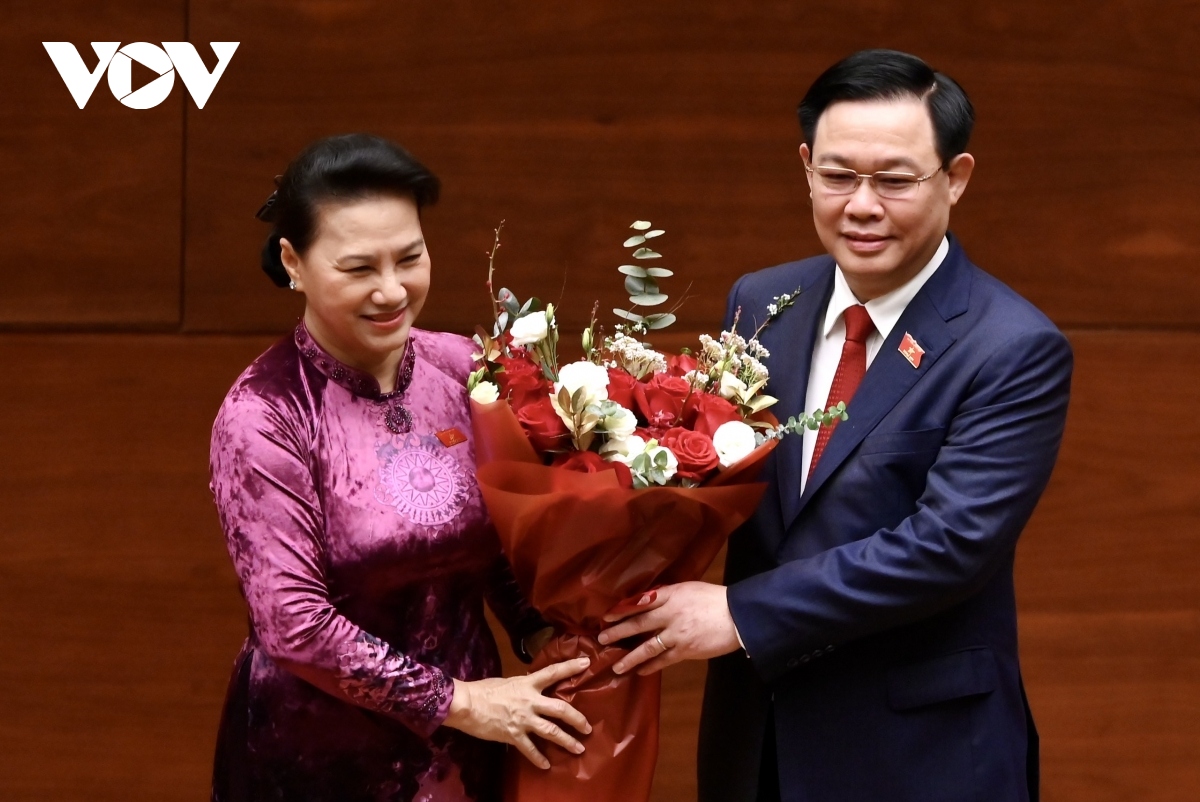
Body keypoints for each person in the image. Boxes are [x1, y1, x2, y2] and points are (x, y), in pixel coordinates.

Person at [599, 49, 1071, 801]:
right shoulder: (761, 301)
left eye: (894, 179)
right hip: (757, 740)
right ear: (805, 167)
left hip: (920, 751)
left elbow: (948, 547)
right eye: (838, 174)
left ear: (956, 178)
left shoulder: (1011, 346)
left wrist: (740, 613)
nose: (861, 204)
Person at [209, 133, 591, 802]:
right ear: (294, 261)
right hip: (317, 757)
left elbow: (500, 533)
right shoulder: (265, 414)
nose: (392, 291)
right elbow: (295, 625)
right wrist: (462, 702)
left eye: (409, 258)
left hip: (475, 741)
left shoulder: (463, 369)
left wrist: (536, 630)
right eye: (359, 268)